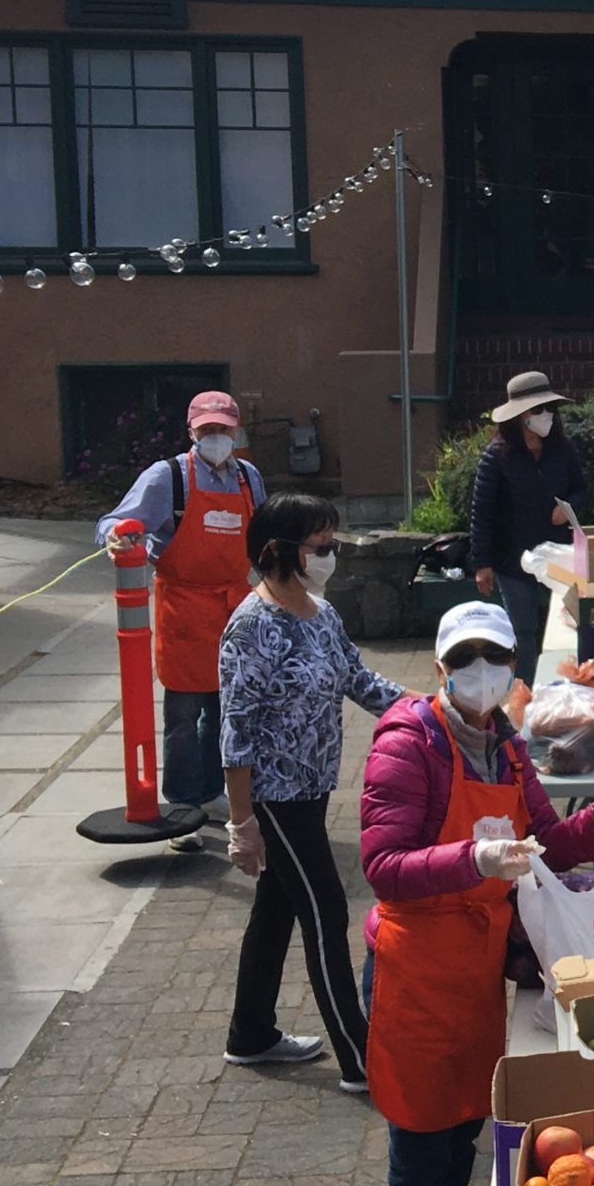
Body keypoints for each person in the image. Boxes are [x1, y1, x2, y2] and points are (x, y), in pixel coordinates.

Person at [359, 601, 594, 1186]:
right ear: (440, 668)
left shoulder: (508, 749)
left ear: (513, 667)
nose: (479, 672)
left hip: (474, 967)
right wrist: (473, 859)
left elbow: (546, 839)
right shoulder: (408, 743)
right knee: (421, 1141)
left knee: (461, 1128)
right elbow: (382, 866)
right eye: (465, 659)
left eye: (493, 657)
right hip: (415, 970)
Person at [219, 493, 405, 1089]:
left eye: (332, 543)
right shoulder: (252, 626)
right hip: (275, 798)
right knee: (326, 910)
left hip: (313, 786)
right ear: (279, 550)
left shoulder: (320, 613)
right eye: (320, 545)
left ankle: (250, 1033)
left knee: (276, 907)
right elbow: (236, 731)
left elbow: (358, 679)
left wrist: (427, 710)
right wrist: (242, 822)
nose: (330, 555)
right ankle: (360, 1057)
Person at [97, 390, 267, 849]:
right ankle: (181, 807)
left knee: (226, 710)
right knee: (184, 713)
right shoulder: (167, 477)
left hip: (234, 608)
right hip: (185, 609)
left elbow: (263, 536)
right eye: (207, 428)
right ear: (191, 431)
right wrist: (118, 538)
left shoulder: (248, 478)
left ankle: (212, 794)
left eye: (223, 429)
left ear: (235, 430)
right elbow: (115, 522)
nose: (216, 436)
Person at [467, 371, 584, 685]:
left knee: (567, 625)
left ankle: (570, 687)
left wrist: (568, 508)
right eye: (538, 409)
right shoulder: (496, 456)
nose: (546, 415)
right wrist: (482, 563)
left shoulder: (563, 449)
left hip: (559, 556)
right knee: (524, 630)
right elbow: (482, 512)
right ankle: (526, 693)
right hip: (513, 559)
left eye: (549, 408)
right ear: (519, 416)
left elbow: (581, 490)